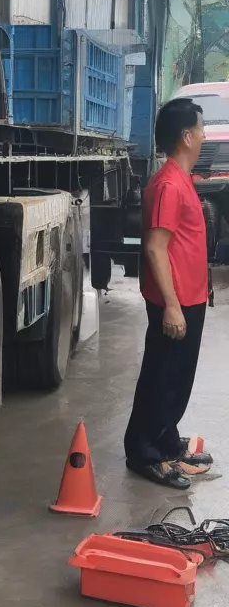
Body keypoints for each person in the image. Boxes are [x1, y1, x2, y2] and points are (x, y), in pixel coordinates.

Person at [124, 97, 214, 489]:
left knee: (177, 379)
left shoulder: (182, 179)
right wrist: (173, 307)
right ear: (186, 136)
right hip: (173, 304)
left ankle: (166, 443)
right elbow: (155, 247)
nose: (205, 134)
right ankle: (144, 452)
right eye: (201, 127)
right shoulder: (167, 185)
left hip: (189, 300)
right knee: (161, 379)